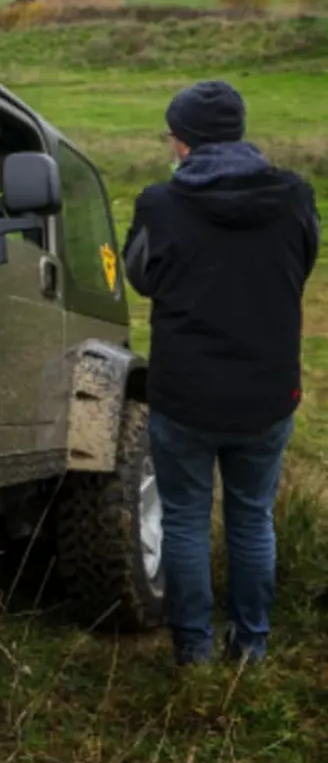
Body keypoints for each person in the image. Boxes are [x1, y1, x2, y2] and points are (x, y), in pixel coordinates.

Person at [122, 79, 320, 667]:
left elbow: (140, 276)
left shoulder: (159, 204)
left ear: (183, 141)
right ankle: (251, 645)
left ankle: (194, 651)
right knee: (252, 518)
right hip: (267, 391)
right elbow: (303, 261)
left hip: (185, 393)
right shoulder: (295, 196)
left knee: (185, 519)